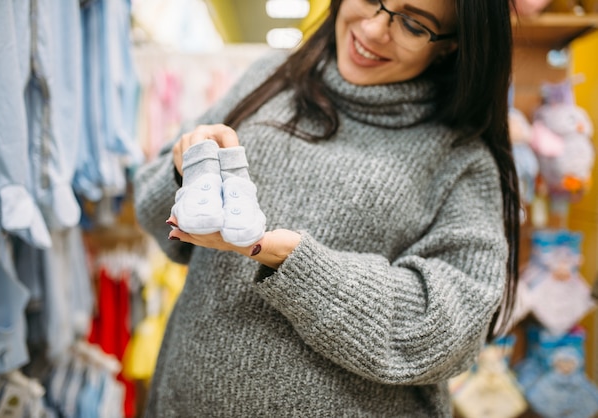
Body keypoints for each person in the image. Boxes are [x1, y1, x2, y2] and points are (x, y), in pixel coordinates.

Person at [133, 0, 520, 415]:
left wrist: (296, 264)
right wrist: (183, 169)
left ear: (450, 45)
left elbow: (452, 328)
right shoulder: (268, 77)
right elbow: (156, 219)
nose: (373, 30)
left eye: (412, 23)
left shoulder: (461, 156)